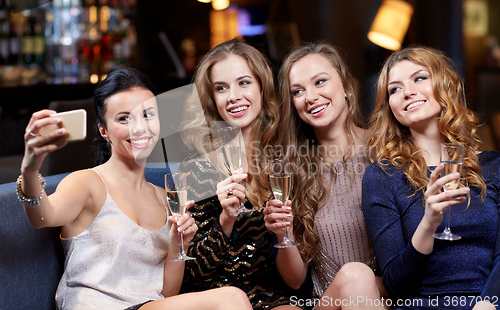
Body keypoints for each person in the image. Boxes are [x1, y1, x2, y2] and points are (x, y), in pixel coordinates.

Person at [18, 67, 252, 310]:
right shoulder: (87, 183)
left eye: (148, 115)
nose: (139, 128)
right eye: (124, 118)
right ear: (104, 131)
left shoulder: (167, 198)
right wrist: (30, 167)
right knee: (231, 299)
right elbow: (42, 216)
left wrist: (178, 245)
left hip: (146, 306)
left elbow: (166, 294)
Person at [362, 45, 500, 310]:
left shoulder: (494, 166)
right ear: (390, 106)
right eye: (395, 89)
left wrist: (489, 303)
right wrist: (428, 224)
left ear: (444, 84)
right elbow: (395, 286)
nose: (408, 92)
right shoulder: (382, 176)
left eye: (419, 78)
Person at [264, 42, 389, 310]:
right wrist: (283, 234)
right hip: (329, 305)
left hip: (388, 300)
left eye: (320, 81)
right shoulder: (293, 170)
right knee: (355, 278)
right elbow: (295, 280)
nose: (310, 97)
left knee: (359, 278)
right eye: (298, 91)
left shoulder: (387, 152)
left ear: (346, 86)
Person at [178, 38, 299, 309]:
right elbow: (192, 274)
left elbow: (295, 281)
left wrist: (283, 233)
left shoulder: (283, 163)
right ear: (211, 98)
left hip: (271, 297)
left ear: (262, 87)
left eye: (244, 82)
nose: (233, 96)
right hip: (217, 299)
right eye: (221, 88)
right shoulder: (195, 168)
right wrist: (225, 220)